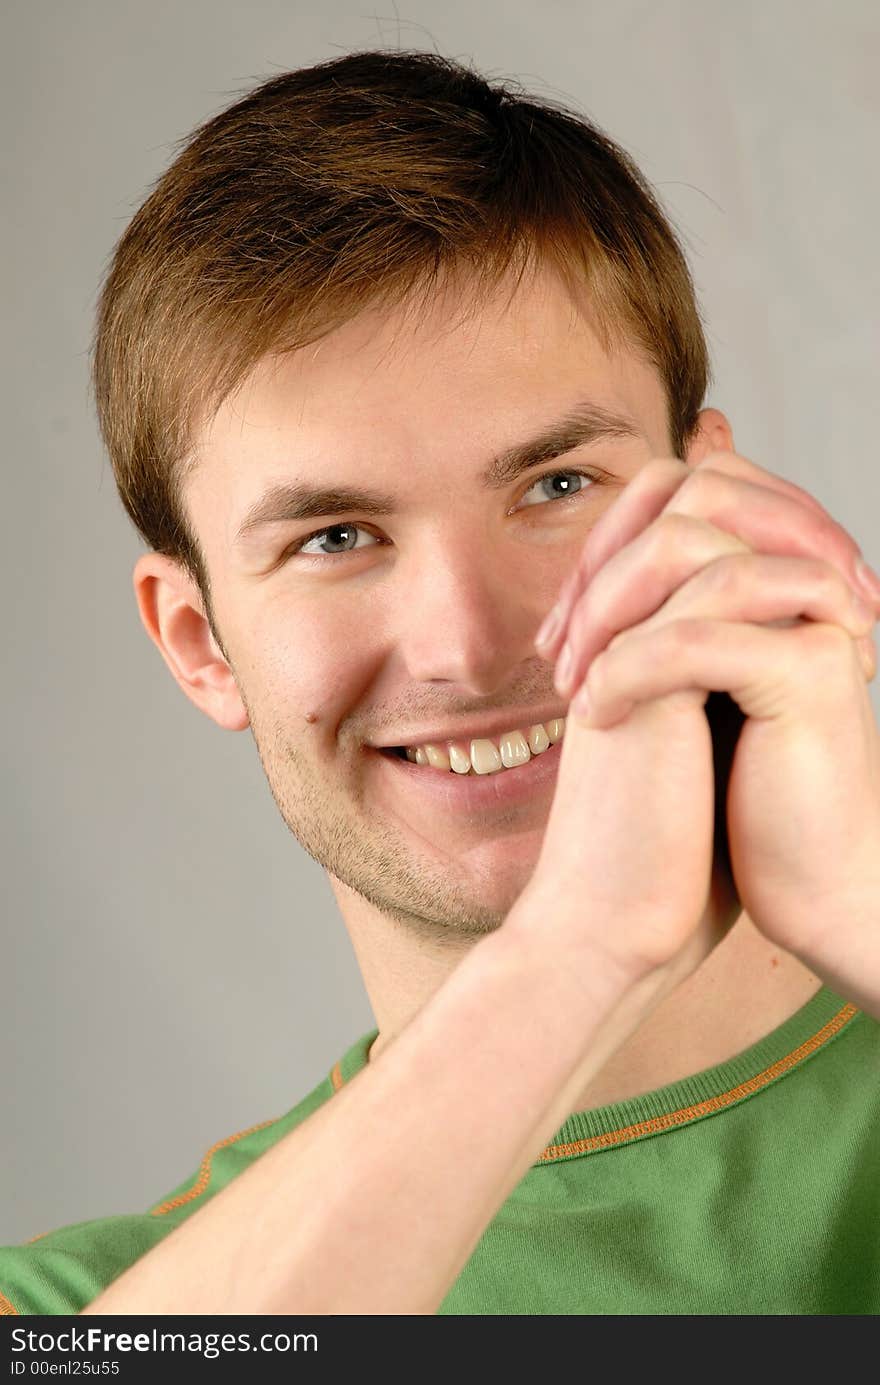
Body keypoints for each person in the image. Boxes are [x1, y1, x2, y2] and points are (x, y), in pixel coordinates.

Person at [3, 48, 879, 1318]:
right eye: (336, 538)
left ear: (711, 502)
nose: (469, 645)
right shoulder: (103, 1305)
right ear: (198, 640)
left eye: (556, 486)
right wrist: (577, 954)